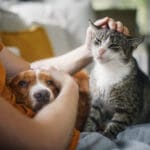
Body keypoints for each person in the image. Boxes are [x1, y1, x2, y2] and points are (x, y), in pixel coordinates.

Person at [0, 17, 129, 149]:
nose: (42, 92)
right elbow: (42, 143)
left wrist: (90, 49)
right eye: (22, 84)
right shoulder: (70, 85)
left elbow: (29, 70)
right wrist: (69, 85)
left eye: (50, 83)